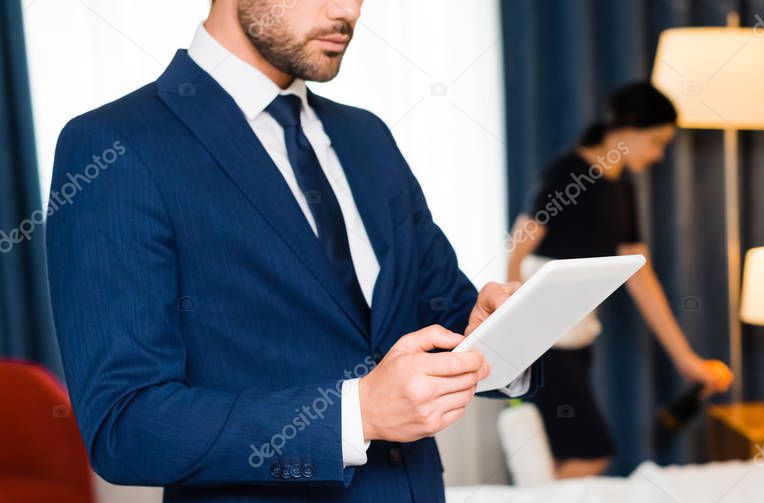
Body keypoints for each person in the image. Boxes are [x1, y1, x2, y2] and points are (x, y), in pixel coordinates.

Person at [46, 1, 538, 502]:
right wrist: (358, 413)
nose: (348, 10)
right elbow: (125, 427)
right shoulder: (115, 145)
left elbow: (447, 319)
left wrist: (495, 339)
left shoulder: (368, 137)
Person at [506, 82, 733, 479]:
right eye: (656, 142)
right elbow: (517, 249)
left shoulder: (621, 185)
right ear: (626, 130)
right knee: (590, 452)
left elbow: (640, 277)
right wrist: (515, 331)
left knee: (559, 458)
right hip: (543, 337)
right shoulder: (568, 174)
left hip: (577, 335)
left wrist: (686, 360)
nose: (659, 155)